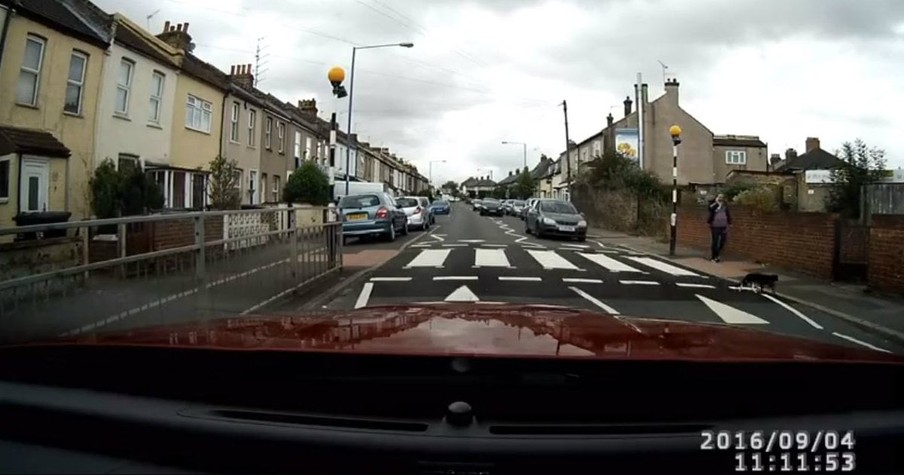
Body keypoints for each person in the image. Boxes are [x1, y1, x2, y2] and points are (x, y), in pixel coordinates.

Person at [707, 193, 731, 262]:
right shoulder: (713, 204)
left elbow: (728, 213)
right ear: (716, 197)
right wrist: (717, 203)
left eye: (722, 197)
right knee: (715, 241)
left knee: (722, 241)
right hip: (715, 226)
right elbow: (710, 209)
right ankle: (714, 256)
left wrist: (729, 222)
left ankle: (718, 253)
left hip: (723, 226)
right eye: (719, 197)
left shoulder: (725, 205)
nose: (721, 198)